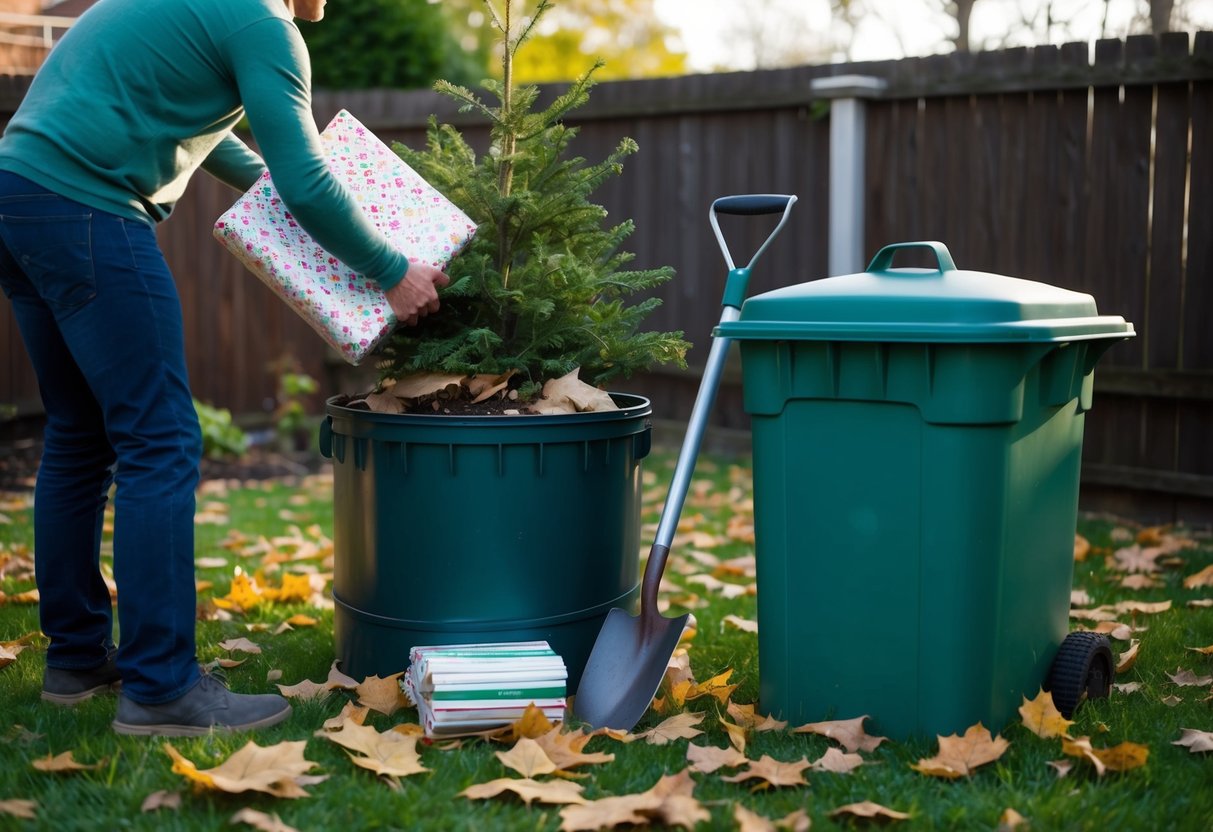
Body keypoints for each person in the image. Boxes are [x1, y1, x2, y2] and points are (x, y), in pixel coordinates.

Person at [0, 0, 450, 736]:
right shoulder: (265, 25)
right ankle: (162, 688)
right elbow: (307, 183)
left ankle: (77, 658)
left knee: (80, 436)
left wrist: (277, 189)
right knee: (160, 440)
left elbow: (207, 141)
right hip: (87, 207)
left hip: (18, 196)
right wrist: (391, 269)